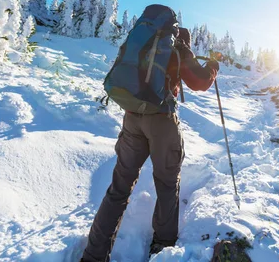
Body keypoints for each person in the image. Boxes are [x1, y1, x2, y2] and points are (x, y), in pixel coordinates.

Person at [81, 27, 219, 262]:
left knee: (119, 188)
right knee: (167, 185)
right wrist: (213, 65)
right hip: (162, 122)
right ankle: (162, 249)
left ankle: (94, 255)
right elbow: (200, 82)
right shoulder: (179, 47)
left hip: (132, 118)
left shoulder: (141, 43)